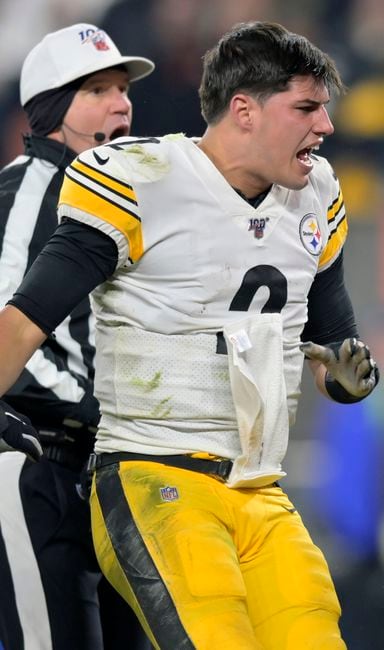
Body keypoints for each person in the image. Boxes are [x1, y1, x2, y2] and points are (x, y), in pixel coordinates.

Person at [0, 21, 378, 649]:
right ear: (244, 111)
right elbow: (23, 318)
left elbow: (334, 347)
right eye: (307, 107)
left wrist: (343, 380)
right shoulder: (137, 179)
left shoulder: (318, 193)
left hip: (257, 485)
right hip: (152, 473)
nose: (326, 127)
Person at [0, 23, 154, 650]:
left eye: (123, 89)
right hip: (38, 465)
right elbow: (4, 334)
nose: (122, 104)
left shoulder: (125, 199)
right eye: (98, 90)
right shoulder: (24, 192)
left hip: (112, 474)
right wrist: (96, 410)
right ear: (52, 111)